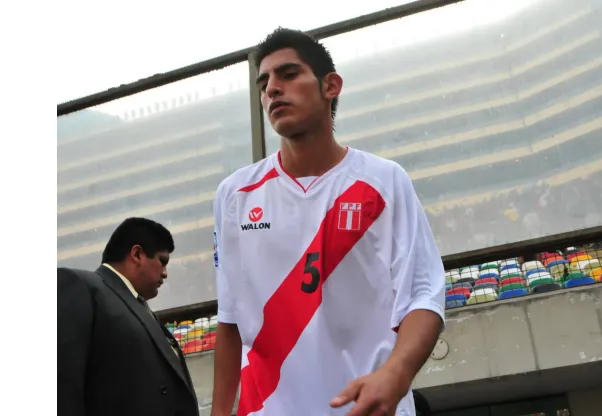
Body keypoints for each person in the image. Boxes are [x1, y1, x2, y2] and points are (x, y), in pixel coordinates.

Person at [210, 28, 446, 416]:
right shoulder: (234, 195)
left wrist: (396, 374)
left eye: (288, 74)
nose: (272, 89)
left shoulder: (383, 181)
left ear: (330, 86)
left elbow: (423, 293)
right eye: (264, 82)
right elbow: (230, 319)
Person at [58, 217, 198, 416]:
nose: (165, 273)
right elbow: (63, 384)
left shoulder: (138, 306)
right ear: (137, 254)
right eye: (162, 261)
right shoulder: (82, 286)